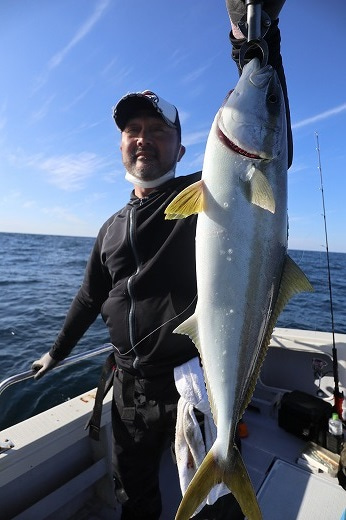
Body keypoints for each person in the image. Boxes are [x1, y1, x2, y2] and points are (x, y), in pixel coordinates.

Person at [32, 2, 290, 518]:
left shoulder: (207, 198)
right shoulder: (110, 229)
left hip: (188, 385)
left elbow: (268, 141)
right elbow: (89, 297)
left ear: (180, 148)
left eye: (157, 129)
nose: (143, 138)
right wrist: (56, 354)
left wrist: (254, 40)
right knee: (135, 500)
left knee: (213, 511)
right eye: (133, 130)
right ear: (121, 146)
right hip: (126, 387)